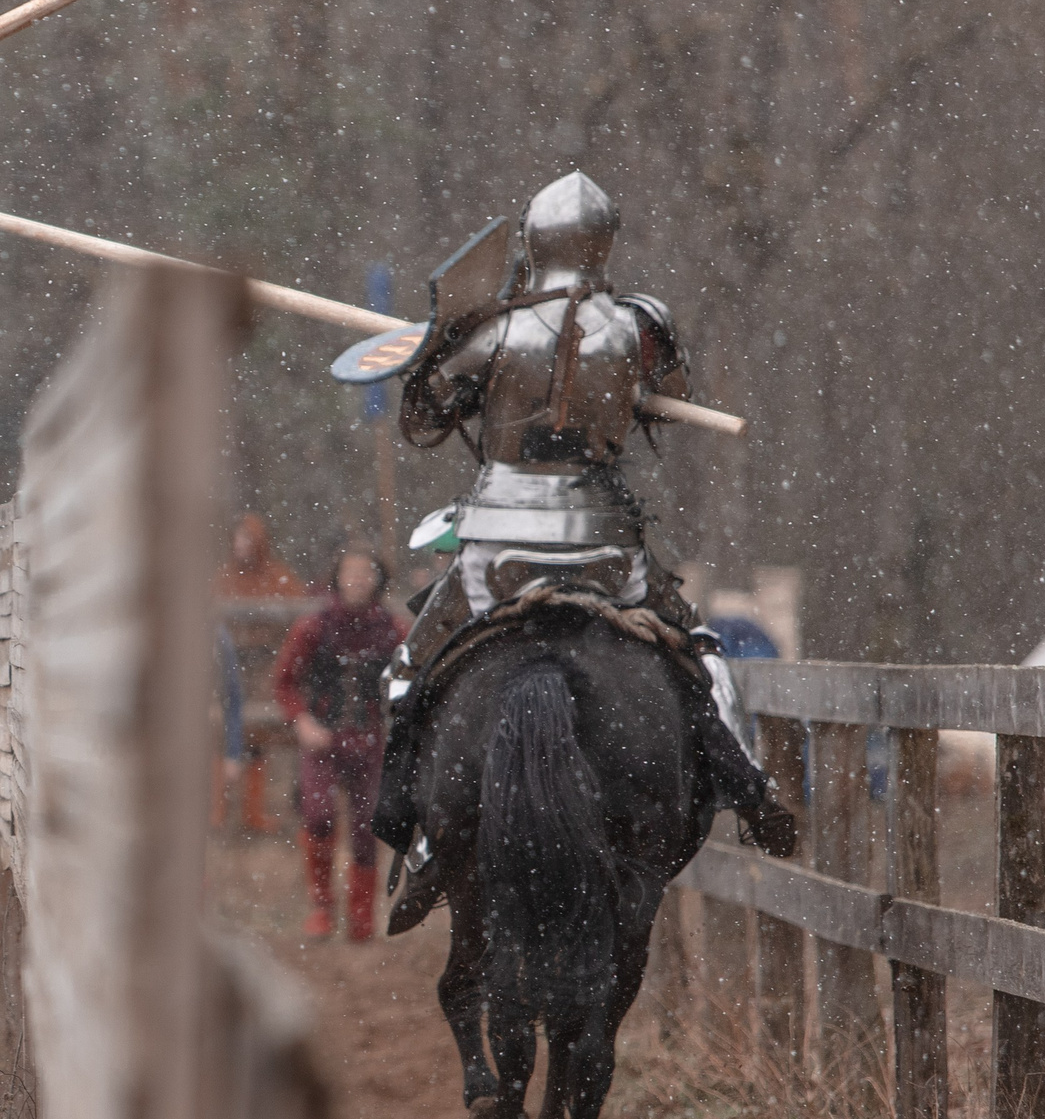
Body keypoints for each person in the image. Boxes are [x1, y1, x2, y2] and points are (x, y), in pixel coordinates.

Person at [375, 172, 796, 935]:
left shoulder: (494, 329)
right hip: (605, 541)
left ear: (534, 241)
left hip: (499, 541)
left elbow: (424, 418)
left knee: (409, 670)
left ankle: (421, 836)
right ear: (604, 241)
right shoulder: (639, 325)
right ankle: (752, 791)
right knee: (698, 657)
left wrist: (437, 346)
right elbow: (671, 397)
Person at [273, 549, 404, 940]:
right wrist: (302, 721)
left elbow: (411, 682)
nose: (357, 579)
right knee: (318, 815)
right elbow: (284, 680)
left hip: (370, 741)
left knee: (367, 829)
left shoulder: (392, 630)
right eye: (350, 572)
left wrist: (395, 721)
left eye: (366, 572)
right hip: (322, 740)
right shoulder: (314, 626)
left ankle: (361, 917)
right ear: (337, 578)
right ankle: (321, 909)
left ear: (378, 579)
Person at [214, 514, 309, 832]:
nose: (242, 545)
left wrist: (269, 634)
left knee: (258, 733)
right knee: (221, 730)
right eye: (238, 538)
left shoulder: (277, 576)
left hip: (264, 663)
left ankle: (253, 813)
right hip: (226, 661)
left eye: (248, 539)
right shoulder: (223, 576)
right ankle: (218, 810)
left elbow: (298, 613)